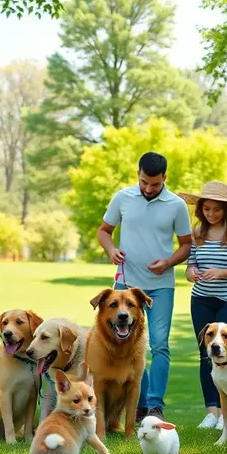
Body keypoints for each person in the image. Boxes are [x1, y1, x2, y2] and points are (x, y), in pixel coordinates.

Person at [97, 152, 193, 421]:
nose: (148, 188)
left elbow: (186, 245)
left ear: (165, 177)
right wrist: (111, 249)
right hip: (126, 285)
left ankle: (154, 405)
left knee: (160, 345)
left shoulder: (176, 205)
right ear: (138, 174)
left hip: (161, 286)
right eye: (144, 182)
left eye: (154, 183)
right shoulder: (122, 198)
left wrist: (168, 262)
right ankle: (140, 400)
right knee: (124, 341)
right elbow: (104, 230)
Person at [179, 181, 227, 430]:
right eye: (207, 209)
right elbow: (190, 265)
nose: (211, 214)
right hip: (201, 299)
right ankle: (211, 412)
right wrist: (192, 273)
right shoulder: (197, 232)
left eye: (217, 209)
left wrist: (221, 273)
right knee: (206, 354)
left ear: (226, 209)